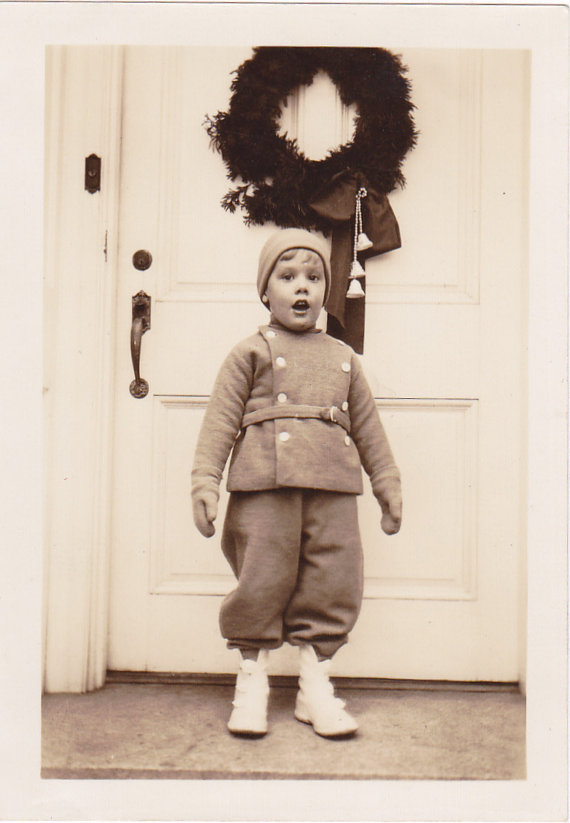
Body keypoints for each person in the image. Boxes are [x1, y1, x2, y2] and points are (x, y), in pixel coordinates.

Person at [191, 228, 402, 738]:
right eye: (287, 277)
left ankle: (315, 684)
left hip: (331, 486)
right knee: (261, 579)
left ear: (326, 290)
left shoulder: (343, 356)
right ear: (266, 290)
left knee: (333, 581)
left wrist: (387, 483)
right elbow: (220, 421)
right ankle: (252, 680)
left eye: (313, 277)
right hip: (265, 485)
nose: (301, 288)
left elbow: (369, 426)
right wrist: (205, 480)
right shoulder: (250, 352)